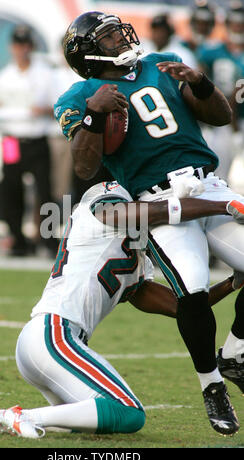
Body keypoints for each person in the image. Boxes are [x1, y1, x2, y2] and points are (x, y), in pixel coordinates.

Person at [53, 11, 244, 435]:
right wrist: (92, 115)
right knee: (191, 289)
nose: (121, 38)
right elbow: (85, 167)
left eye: (120, 31)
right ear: (87, 53)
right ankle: (212, 385)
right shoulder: (79, 93)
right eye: (107, 37)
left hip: (207, 184)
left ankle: (234, 353)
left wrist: (200, 83)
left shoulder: (162, 62)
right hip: (156, 200)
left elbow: (221, 116)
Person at [0, 181, 244, 438]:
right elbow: (153, 210)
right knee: (128, 413)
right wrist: (220, 205)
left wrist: (232, 283)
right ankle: (23, 416)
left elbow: (181, 305)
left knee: (89, 422)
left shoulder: (135, 244)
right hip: (55, 335)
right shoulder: (109, 196)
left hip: (53, 342)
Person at [0, 24, 57, 257]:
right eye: (18, 45)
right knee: (10, 189)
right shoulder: (4, 76)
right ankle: (16, 238)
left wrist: (43, 110)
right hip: (11, 139)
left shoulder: (45, 74)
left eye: (25, 45)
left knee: (45, 191)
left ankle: (48, 239)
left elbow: (57, 107)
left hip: (36, 138)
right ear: (12, 47)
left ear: (31, 46)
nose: (21, 49)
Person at [197, 1, 244, 183]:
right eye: (235, 23)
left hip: (236, 118)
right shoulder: (212, 51)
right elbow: (200, 80)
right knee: (219, 174)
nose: (238, 28)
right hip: (221, 120)